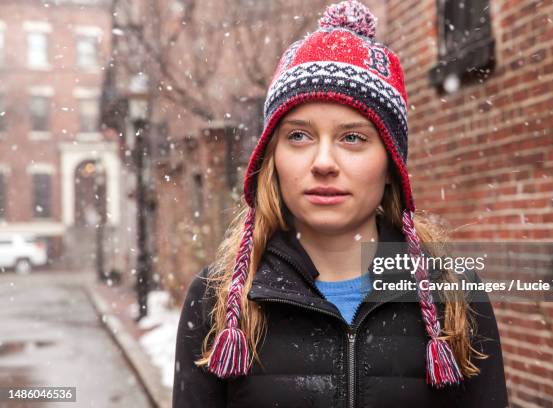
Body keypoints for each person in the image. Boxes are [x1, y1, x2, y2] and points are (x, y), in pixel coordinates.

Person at [172, 1, 508, 407]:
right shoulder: (220, 299)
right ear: (272, 158)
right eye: (299, 136)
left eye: (353, 137)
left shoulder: (453, 296)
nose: (324, 163)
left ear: (390, 166)